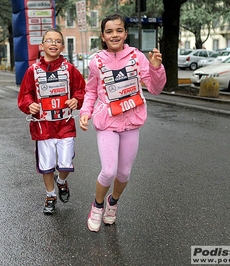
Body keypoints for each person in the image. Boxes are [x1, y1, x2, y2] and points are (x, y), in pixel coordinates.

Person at [79, 13, 166, 232]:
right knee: (108, 171)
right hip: (107, 121)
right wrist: (85, 111)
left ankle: (112, 202)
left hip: (131, 121)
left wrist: (155, 68)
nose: (114, 34)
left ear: (126, 34)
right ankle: (97, 206)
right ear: (103, 36)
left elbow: (155, 88)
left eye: (119, 30)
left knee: (124, 173)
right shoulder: (96, 62)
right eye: (109, 31)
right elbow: (90, 90)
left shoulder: (137, 57)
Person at [17, 28, 86, 215]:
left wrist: (76, 100)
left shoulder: (69, 69)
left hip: (64, 124)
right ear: (42, 45)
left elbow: (81, 90)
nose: (53, 44)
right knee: (46, 166)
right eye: (49, 40)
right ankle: (50, 195)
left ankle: (62, 181)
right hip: (43, 126)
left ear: (63, 46)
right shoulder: (33, 71)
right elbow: (25, 95)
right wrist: (29, 104)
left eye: (57, 41)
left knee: (65, 165)